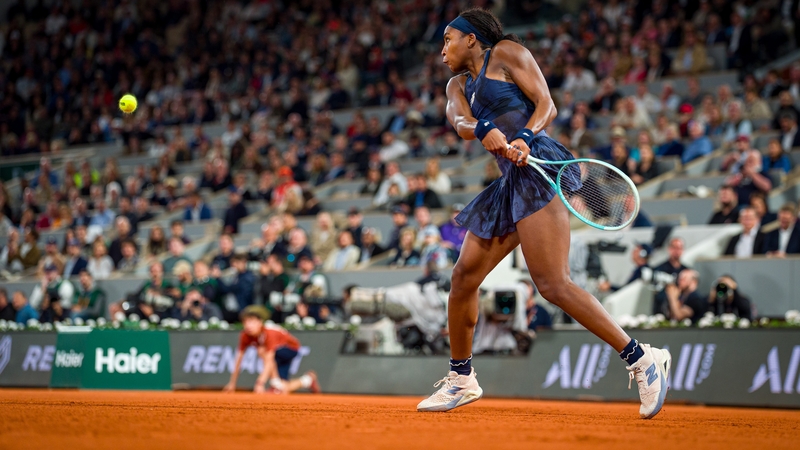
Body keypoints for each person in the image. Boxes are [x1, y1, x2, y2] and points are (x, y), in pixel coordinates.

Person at [417, 9, 671, 418]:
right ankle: (462, 379)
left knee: (553, 284)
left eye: (448, 38)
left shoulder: (506, 53)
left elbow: (546, 104)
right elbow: (460, 121)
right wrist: (484, 128)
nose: (442, 48)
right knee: (463, 278)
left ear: (470, 39)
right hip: (508, 184)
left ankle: (642, 360)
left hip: (539, 170)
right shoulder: (456, 85)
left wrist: (523, 137)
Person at [223, 306, 320, 394]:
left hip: (291, 348)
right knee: (283, 388)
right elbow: (238, 359)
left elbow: (269, 360)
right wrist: (232, 383)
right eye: (246, 322)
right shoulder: (245, 335)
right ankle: (308, 379)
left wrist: (260, 383)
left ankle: (275, 383)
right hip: (277, 353)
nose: (248, 325)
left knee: (261, 350)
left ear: (260, 323)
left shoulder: (269, 334)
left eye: (252, 321)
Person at [214, 254, 255, 318]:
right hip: (234, 310)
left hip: (243, 310)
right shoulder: (237, 276)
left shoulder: (247, 277)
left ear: (243, 262)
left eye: (236, 263)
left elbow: (229, 289)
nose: (234, 266)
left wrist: (218, 278)